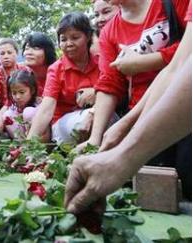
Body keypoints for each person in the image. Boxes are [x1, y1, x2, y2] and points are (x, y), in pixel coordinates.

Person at [64, 3, 192, 214]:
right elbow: (174, 70)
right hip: (147, 116)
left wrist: (144, 62)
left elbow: (183, 63)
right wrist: (108, 134)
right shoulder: (109, 32)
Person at [77, 0, 189, 152]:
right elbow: (109, 83)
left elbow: (189, 48)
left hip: (185, 104)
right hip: (144, 118)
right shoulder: (109, 32)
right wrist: (95, 138)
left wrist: (143, 62)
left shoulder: (173, 3)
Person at [27, 12, 99, 144]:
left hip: (99, 115)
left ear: (88, 36)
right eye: (63, 39)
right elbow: (46, 109)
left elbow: (115, 94)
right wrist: (28, 145)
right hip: (64, 124)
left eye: (75, 37)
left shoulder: (101, 62)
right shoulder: (56, 69)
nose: (68, 44)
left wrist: (96, 94)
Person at [0, 70, 46, 140]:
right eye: (14, 93)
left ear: (32, 90)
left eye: (22, 92)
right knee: (7, 115)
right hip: (21, 137)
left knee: (28, 112)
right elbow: (3, 117)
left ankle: (30, 145)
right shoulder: (14, 107)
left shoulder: (39, 103)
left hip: (39, 139)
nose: (18, 97)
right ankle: (20, 144)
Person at [0, 38, 29, 108]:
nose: (6, 56)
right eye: (2, 53)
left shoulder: (24, 70)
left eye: (9, 53)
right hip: (4, 111)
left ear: (16, 53)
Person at [22, 32, 56, 97]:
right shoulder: (22, 74)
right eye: (27, 49)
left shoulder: (58, 72)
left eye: (35, 49)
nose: (29, 53)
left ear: (47, 52)